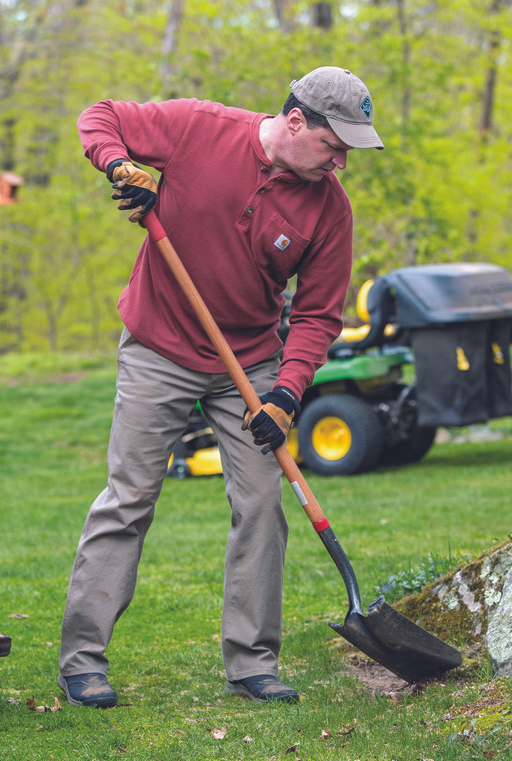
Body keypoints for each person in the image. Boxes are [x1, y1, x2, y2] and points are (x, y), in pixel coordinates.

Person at [58, 67, 383, 707]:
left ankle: (253, 663)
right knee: (129, 497)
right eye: (334, 145)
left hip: (251, 361)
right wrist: (121, 167)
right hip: (160, 344)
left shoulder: (329, 209)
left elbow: (319, 315)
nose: (342, 162)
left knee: (263, 504)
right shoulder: (199, 130)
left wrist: (287, 393)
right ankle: (82, 661)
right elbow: (100, 116)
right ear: (295, 122)